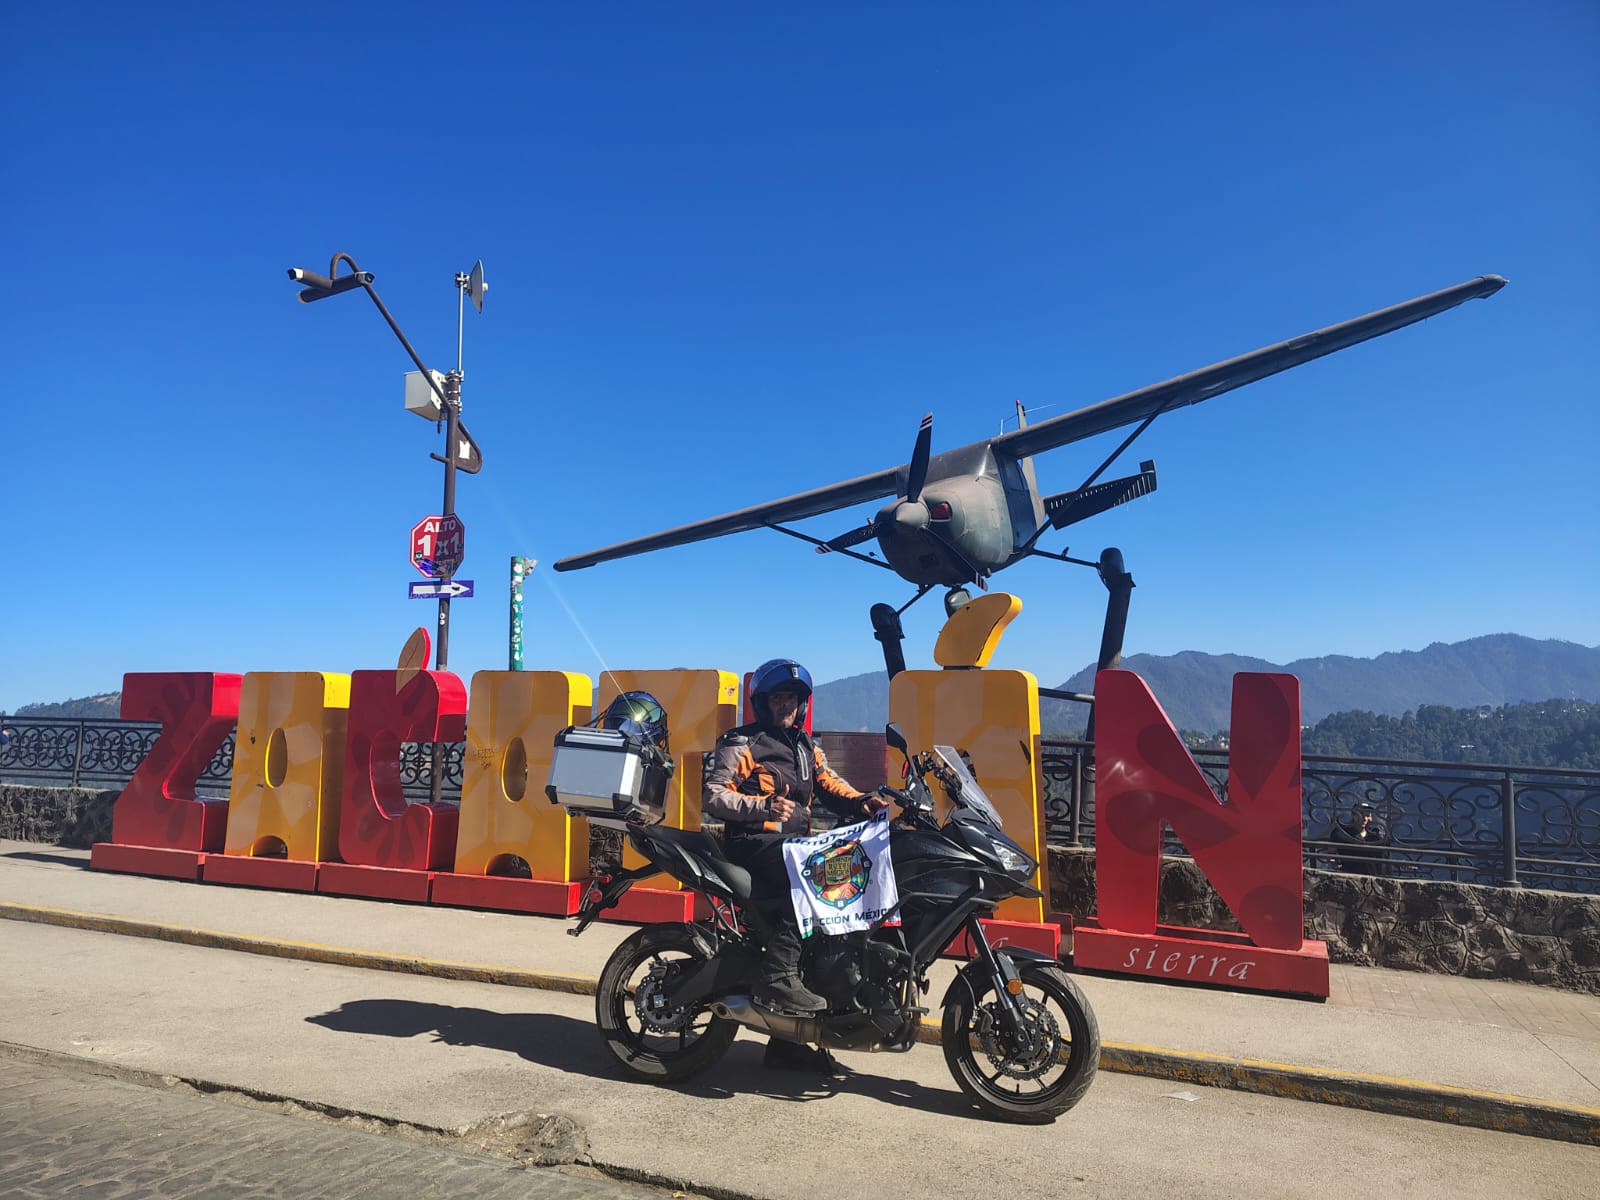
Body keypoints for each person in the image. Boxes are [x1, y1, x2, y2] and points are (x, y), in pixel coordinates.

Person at [702, 658, 891, 1072]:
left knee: (839, 886)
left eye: (792, 698)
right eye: (778, 697)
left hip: (792, 847)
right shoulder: (743, 741)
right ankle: (777, 973)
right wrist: (762, 806)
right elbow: (714, 794)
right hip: (753, 843)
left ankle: (788, 1043)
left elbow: (831, 784)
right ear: (762, 702)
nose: (785, 704)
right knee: (815, 878)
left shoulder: (805, 747)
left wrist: (864, 801)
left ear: (802, 704)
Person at [1333, 801, 1391, 877]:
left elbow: (1385, 857)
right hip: (1350, 876)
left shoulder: (1377, 836)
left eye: (1367, 815)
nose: (1364, 818)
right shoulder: (1342, 833)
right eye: (1361, 815)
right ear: (1353, 815)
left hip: (1375, 877)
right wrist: (1334, 863)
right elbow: (1331, 852)